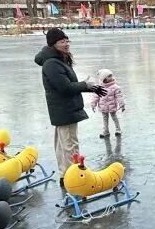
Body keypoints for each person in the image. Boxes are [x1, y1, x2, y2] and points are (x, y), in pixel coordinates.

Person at [34, 28, 106, 181]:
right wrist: (85, 85)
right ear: (53, 44)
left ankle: (66, 174)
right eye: (62, 42)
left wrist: (90, 87)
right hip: (64, 109)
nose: (66, 44)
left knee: (63, 144)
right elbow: (65, 87)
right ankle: (74, 177)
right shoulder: (52, 63)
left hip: (65, 108)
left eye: (67, 41)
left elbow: (68, 85)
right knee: (70, 144)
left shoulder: (59, 59)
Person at [91, 68, 126, 138]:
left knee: (114, 117)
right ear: (104, 79)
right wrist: (93, 104)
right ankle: (106, 131)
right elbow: (96, 97)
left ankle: (118, 130)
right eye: (109, 76)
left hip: (112, 106)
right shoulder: (99, 87)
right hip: (103, 107)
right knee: (105, 119)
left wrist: (122, 105)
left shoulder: (115, 87)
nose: (111, 77)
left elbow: (119, 96)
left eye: (111, 75)